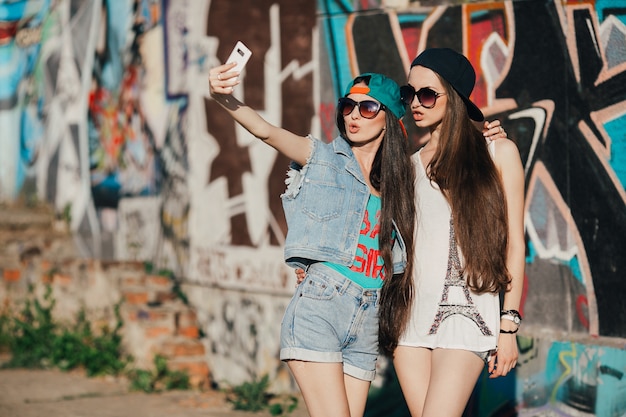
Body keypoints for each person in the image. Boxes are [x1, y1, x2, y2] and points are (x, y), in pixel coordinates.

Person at [209, 64, 416, 417]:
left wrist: (492, 137)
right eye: (347, 106)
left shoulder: (401, 184)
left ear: (390, 120)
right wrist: (222, 96)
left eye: (367, 109)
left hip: (369, 317)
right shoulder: (320, 159)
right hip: (322, 308)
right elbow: (265, 131)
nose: (354, 116)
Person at [378, 48, 525, 417]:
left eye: (427, 94)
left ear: (455, 98)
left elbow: (515, 244)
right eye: (409, 94)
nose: (416, 103)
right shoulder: (408, 167)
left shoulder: (498, 153)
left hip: (467, 317)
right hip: (410, 320)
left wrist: (509, 326)